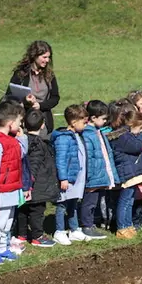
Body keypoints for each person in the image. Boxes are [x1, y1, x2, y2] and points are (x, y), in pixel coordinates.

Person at [0, 101, 28, 264]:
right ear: (10, 123)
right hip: (1, 190)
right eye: (19, 121)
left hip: (12, 188)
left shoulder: (11, 140)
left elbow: (20, 154)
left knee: (7, 222)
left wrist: (22, 138)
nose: (20, 124)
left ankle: (2, 248)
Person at [107, 110, 142, 239]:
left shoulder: (126, 136)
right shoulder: (123, 137)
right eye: (139, 128)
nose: (140, 131)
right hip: (126, 172)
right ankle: (122, 227)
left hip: (130, 172)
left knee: (129, 200)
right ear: (132, 125)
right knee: (125, 201)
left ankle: (128, 225)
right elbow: (136, 146)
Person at [17, 110, 60, 247]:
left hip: (25, 184)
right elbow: (33, 166)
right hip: (36, 186)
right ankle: (37, 236)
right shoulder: (37, 144)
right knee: (37, 212)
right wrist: (29, 184)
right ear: (42, 125)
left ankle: (21, 234)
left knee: (23, 210)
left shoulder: (22, 141)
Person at [80, 100, 119, 240]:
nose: (105, 121)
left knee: (94, 201)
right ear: (93, 118)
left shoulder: (97, 132)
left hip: (99, 174)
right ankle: (86, 225)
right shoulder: (88, 134)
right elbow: (89, 157)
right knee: (89, 202)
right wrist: (90, 176)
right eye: (103, 119)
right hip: (93, 176)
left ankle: (91, 223)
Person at [51, 104, 89, 245]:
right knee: (62, 205)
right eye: (83, 122)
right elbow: (60, 159)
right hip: (67, 179)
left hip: (76, 177)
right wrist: (63, 178)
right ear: (73, 122)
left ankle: (74, 229)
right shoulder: (64, 138)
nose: (85, 125)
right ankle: (59, 231)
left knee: (73, 203)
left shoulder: (77, 135)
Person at [6, 40, 60, 133]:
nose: (47, 60)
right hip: (24, 123)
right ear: (35, 56)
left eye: (49, 57)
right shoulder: (21, 73)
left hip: (44, 122)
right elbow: (9, 96)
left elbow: (55, 98)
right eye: (44, 57)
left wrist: (40, 105)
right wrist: (25, 101)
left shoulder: (50, 75)